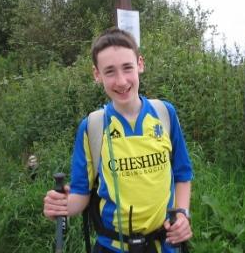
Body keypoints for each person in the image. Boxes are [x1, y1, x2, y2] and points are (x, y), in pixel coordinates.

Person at [43, 28, 193, 252]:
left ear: (140, 64)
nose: (121, 81)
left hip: (166, 245)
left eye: (127, 67)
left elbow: (182, 174)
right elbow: (81, 194)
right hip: (112, 247)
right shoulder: (93, 127)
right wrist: (62, 205)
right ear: (97, 74)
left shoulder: (164, 114)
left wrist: (182, 215)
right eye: (110, 71)